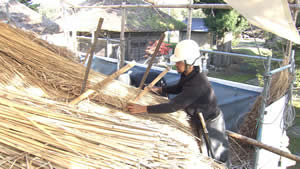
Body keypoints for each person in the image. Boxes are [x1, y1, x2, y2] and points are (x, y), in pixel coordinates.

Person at [127, 40, 230, 167]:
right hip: (199, 116)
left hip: (210, 122)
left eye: (179, 62)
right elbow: (179, 87)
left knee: (214, 155)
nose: (176, 64)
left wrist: (143, 109)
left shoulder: (197, 84)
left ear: (189, 62)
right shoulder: (189, 74)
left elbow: (173, 106)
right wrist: (161, 89)